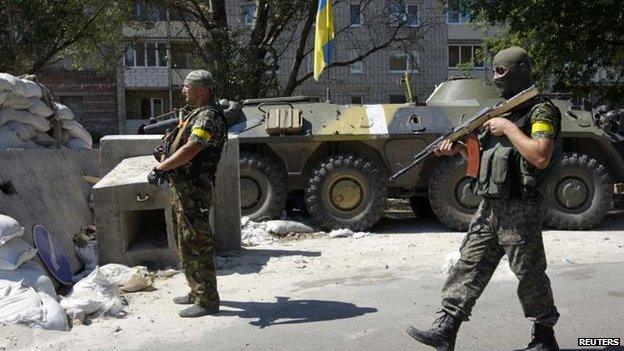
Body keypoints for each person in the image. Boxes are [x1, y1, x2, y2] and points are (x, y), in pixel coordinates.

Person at [406, 47, 562, 351]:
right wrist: (458, 150)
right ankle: (446, 329)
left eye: (501, 71)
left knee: (528, 273)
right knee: (468, 263)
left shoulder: (540, 111)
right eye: (493, 71)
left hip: (521, 205)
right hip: (490, 205)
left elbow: (540, 155)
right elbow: (485, 159)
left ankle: (544, 337)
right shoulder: (500, 111)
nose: (495, 77)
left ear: (522, 71)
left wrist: (508, 128)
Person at [147, 70, 227, 318]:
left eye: (186, 86)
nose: (183, 90)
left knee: (197, 242)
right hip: (183, 187)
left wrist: (162, 166)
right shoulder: (195, 114)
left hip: (194, 188)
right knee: (185, 240)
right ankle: (196, 290)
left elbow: (194, 147)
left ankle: (207, 301)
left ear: (201, 90)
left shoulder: (208, 116)